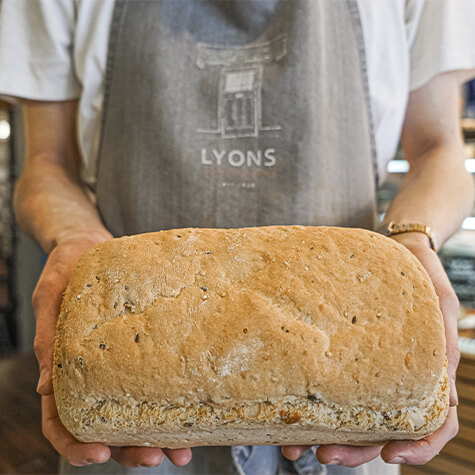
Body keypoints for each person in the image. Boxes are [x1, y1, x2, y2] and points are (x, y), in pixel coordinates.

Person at [1, 0, 475, 474]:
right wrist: (76, 237)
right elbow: (46, 164)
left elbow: (438, 149)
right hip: (132, 389)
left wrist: (413, 241)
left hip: (355, 386)